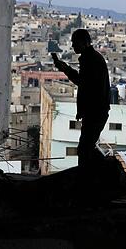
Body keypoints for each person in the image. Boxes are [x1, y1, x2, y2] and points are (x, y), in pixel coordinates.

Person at [52, 29, 111, 167]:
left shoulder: (91, 60)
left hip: (95, 112)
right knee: (86, 148)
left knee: (85, 149)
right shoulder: (91, 58)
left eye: (75, 42)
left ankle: (94, 176)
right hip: (95, 112)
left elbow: (83, 83)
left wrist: (65, 69)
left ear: (84, 42)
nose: (73, 45)